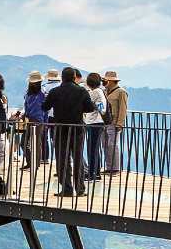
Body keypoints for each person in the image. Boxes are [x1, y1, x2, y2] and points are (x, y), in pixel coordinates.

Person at [43, 66, 95, 197]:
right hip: (77, 128)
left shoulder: (55, 92)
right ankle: (80, 189)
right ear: (73, 77)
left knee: (62, 159)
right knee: (78, 159)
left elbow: (45, 107)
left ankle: (66, 188)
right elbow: (89, 108)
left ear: (62, 78)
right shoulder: (82, 91)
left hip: (60, 129)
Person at [22, 70, 49, 173]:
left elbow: (45, 109)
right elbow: (27, 106)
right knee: (24, 142)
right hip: (30, 120)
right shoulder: (28, 93)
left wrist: (45, 122)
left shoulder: (42, 93)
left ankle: (35, 164)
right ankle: (30, 162)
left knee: (36, 143)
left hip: (38, 120)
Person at [101, 70, 128, 175]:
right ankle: (109, 167)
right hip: (105, 122)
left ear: (111, 81)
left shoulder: (121, 92)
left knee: (113, 144)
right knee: (105, 144)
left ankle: (115, 168)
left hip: (114, 122)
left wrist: (120, 123)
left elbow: (123, 108)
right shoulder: (104, 91)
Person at [84, 72, 107, 178]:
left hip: (94, 122)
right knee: (94, 148)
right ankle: (96, 172)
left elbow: (101, 109)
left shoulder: (95, 93)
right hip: (97, 123)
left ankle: (92, 172)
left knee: (91, 149)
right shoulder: (100, 91)